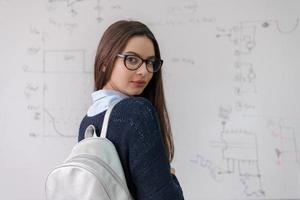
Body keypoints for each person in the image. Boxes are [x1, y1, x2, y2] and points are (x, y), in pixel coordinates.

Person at [78, 20, 184, 199]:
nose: (144, 71)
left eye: (150, 62)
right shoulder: (136, 112)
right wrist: (169, 175)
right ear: (105, 61)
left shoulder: (87, 122)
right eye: (132, 59)